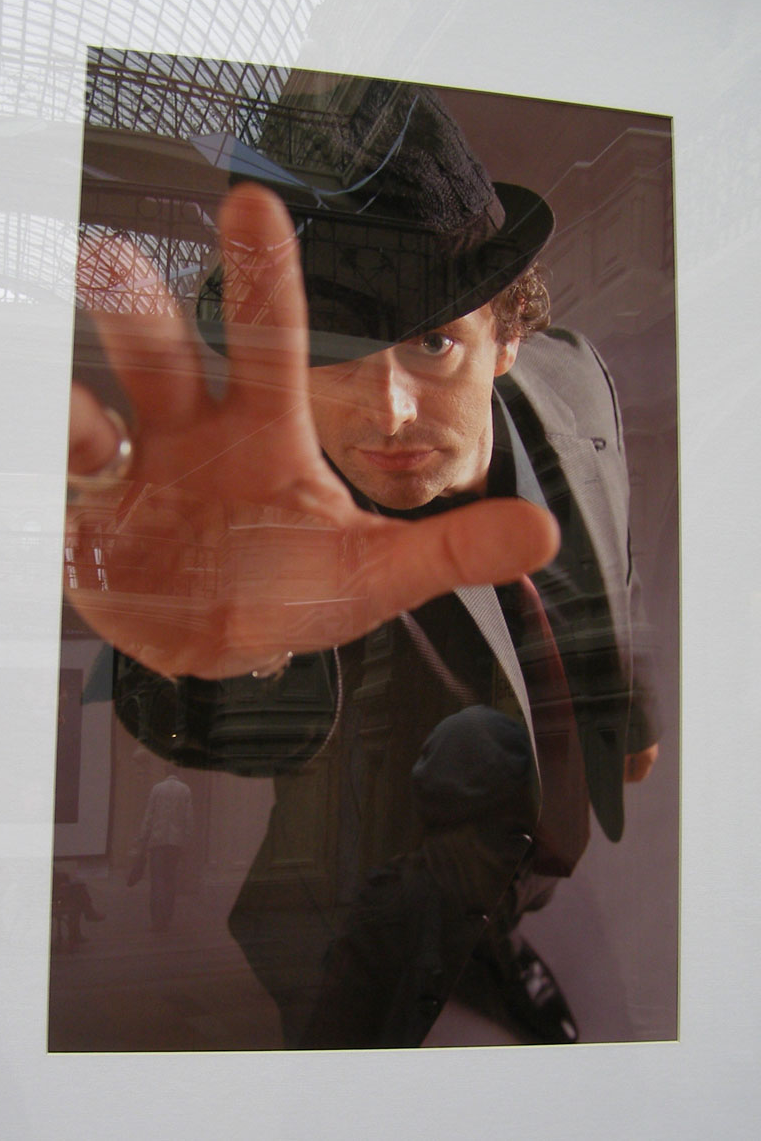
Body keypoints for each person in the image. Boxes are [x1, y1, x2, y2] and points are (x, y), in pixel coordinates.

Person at [65, 76, 658, 1047]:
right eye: (338, 351)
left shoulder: (576, 378)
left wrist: (626, 702)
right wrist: (202, 648)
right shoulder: (284, 502)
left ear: (508, 334)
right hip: (363, 921)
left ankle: (500, 936)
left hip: (525, 857)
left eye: (433, 343)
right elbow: (233, 704)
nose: (387, 414)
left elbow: (610, 539)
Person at [137, 766, 194, 931]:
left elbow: (149, 816)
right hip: (175, 843)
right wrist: (187, 841)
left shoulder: (157, 789)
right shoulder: (185, 790)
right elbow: (189, 818)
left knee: (157, 882)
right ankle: (167, 918)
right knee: (170, 880)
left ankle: (156, 920)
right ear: (178, 772)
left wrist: (143, 839)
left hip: (157, 842)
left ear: (165, 772)